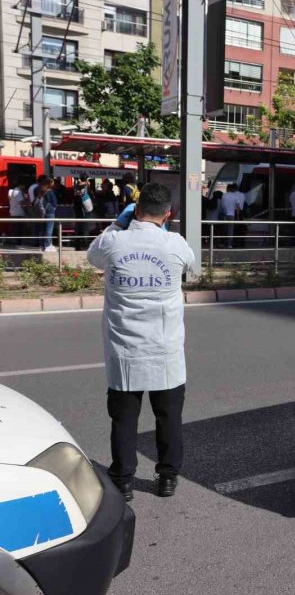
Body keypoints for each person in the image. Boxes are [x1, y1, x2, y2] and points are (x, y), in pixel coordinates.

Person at [87, 183, 195, 501]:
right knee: (168, 418)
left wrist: (116, 224)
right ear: (169, 214)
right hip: (166, 351)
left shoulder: (113, 242)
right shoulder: (175, 244)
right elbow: (191, 264)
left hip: (125, 352)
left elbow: (93, 256)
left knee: (124, 419)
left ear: (135, 209)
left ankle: (122, 480)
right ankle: (167, 478)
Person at [33, 176, 57, 252]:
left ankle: (42, 245)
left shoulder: (36, 190)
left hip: (40, 212)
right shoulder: (49, 191)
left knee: (42, 229)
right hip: (49, 212)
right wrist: (53, 207)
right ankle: (48, 245)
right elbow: (54, 202)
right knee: (49, 230)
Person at [72, 174, 94, 250]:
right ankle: (85, 244)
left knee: (78, 226)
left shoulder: (76, 186)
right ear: (87, 179)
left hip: (77, 208)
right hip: (85, 209)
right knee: (85, 227)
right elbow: (91, 196)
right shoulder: (86, 186)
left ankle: (77, 244)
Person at [7, 180, 30, 247]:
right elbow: (21, 202)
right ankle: (18, 242)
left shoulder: (14, 191)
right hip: (18, 213)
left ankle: (16, 241)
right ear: (21, 185)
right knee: (19, 228)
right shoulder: (18, 191)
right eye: (24, 186)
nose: (24, 188)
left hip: (14, 212)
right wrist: (27, 207)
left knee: (16, 228)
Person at [221, 183, 244, 249]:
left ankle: (223, 242)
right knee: (231, 230)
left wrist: (224, 212)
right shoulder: (235, 196)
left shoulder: (224, 195)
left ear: (228, 189)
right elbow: (238, 207)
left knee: (224, 229)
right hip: (232, 214)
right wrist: (238, 215)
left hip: (225, 214)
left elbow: (222, 206)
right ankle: (229, 244)